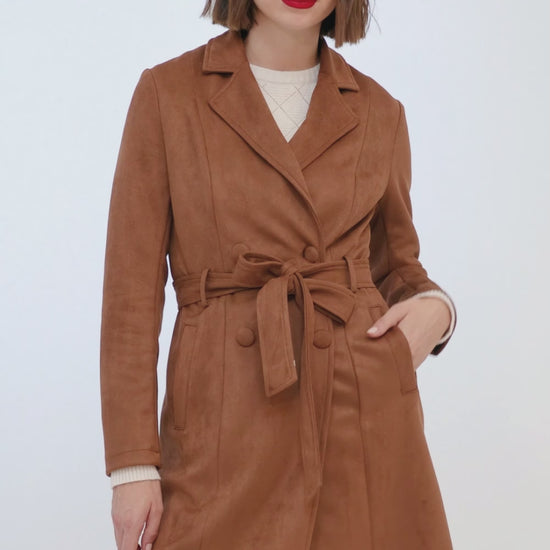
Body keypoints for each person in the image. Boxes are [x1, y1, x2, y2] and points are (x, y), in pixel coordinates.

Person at [100, 1, 457, 549]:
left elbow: (397, 269)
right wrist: (132, 465)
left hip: (356, 411)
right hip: (222, 420)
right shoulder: (168, 94)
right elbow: (130, 296)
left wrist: (438, 310)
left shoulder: (380, 111)